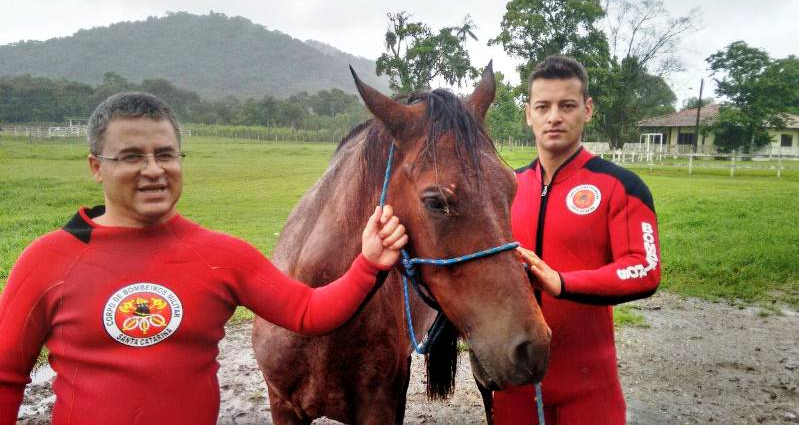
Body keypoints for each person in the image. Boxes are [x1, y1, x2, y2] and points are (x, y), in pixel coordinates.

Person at [0, 92, 408, 423]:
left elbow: (308, 312)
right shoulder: (47, 260)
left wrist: (368, 262)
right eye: (131, 156)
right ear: (95, 166)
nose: (153, 170)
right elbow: (6, 376)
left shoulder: (221, 256)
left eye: (165, 154)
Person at [493, 56, 662, 424]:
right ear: (528, 114)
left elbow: (645, 269)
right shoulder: (505, 188)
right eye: (543, 106)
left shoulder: (620, 186)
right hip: (514, 385)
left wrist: (563, 282)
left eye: (566, 105)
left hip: (589, 386)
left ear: (587, 109)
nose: (554, 116)